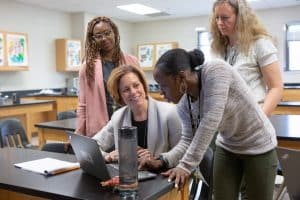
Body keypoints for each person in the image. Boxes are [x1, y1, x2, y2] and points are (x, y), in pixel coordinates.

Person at [153, 48, 278, 200]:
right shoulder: (184, 105)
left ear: (181, 77)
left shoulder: (215, 71)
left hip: (258, 144)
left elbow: (210, 120)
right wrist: (162, 161)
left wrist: (184, 166)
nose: (161, 92)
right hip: (228, 146)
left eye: (163, 85)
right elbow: (188, 139)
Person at [92, 65, 182, 166]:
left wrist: (157, 160)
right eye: (126, 90)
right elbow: (92, 146)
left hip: (161, 176)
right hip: (128, 176)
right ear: (119, 95)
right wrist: (108, 157)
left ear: (143, 85)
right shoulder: (118, 117)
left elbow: (182, 152)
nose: (133, 92)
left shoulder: (170, 112)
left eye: (136, 85)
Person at [210, 0, 283, 117]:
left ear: (240, 18)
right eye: (217, 18)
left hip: (253, 117)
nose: (219, 22)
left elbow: (276, 88)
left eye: (225, 18)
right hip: (229, 120)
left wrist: (260, 119)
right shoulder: (220, 47)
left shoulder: (260, 43)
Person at [76, 16, 139, 137]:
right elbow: (82, 105)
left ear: (114, 32)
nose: (104, 38)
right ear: (93, 39)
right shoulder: (88, 67)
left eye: (107, 33)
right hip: (102, 127)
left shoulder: (132, 61)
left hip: (129, 123)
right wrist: (79, 132)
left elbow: (142, 95)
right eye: (98, 36)